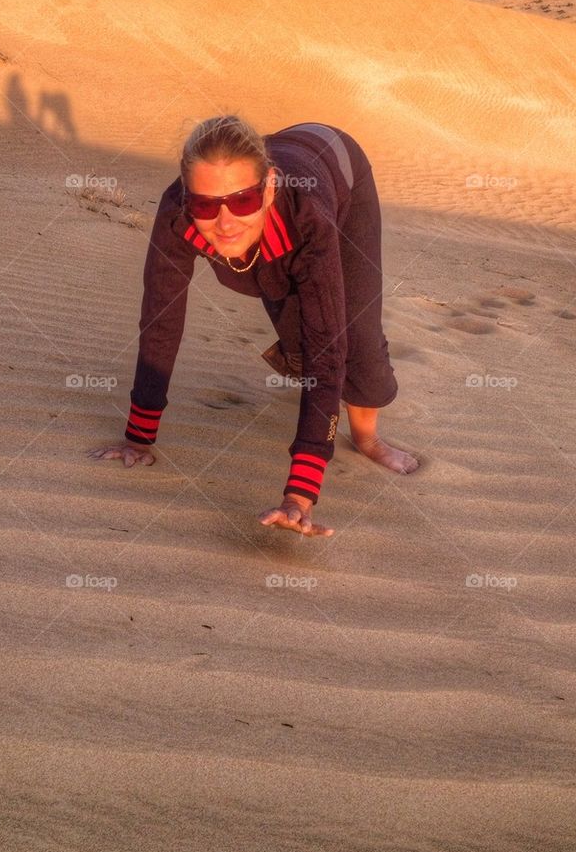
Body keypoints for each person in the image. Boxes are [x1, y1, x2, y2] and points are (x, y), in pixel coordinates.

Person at [86, 115, 418, 537]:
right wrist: (139, 437)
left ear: (269, 187)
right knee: (299, 331)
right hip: (280, 189)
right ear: (187, 198)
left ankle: (367, 437)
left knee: (353, 338)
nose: (224, 222)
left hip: (340, 170)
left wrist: (300, 494)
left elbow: (327, 346)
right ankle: (321, 398)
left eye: (242, 201)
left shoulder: (308, 216)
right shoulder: (178, 215)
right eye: (206, 205)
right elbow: (160, 320)